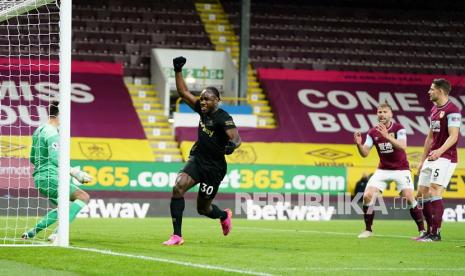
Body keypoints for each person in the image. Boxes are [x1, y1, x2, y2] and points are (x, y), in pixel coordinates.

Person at [162, 56, 242, 246]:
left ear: (217, 100)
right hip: (198, 159)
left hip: (214, 168)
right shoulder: (202, 110)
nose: (203, 101)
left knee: (203, 209)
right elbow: (183, 92)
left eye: (207, 99)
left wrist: (232, 146)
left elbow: (237, 138)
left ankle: (223, 215)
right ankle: (177, 236)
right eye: (202, 98)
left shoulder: (224, 118)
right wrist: (178, 70)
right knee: (178, 187)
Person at [22, 101, 92, 242]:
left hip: (40, 178)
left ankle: (31, 233)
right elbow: (56, 159)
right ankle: (58, 233)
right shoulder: (52, 133)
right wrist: (75, 173)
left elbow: (32, 157)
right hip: (50, 176)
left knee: (63, 208)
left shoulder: (39, 130)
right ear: (59, 115)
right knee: (83, 197)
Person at [354, 102, 424, 238]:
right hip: (383, 169)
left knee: (409, 197)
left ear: (391, 114)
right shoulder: (372, 132)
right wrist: (358, 145)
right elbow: (365, 153)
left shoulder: (399, 129)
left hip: (401, 169)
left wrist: (387, 136)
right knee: (367, 195)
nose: (382, 114)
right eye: (379, 112)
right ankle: (368, 229)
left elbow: (403, 146)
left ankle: (422, 230)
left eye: (385, 112)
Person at [415, 79, 461, 242]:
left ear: (441, 91)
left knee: (434, 190)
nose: (429, 91)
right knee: (421, 194)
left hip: (446, 157)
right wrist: (422, 160)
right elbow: (429, 137)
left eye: (432, 89)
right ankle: (428, 231)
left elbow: (454, 136)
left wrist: (439, 152)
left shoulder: (453, 110)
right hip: (431, 157)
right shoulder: (434, 109)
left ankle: (436, 233)